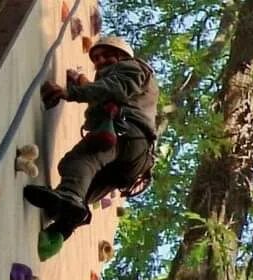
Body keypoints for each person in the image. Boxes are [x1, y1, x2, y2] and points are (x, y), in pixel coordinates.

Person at [23, 36, 159, 240]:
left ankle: (69, 198)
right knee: (85, 188)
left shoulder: (132, 67)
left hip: (125, 133)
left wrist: (70, 92)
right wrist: (81, 82)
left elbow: (114, 89)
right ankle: (65, 221)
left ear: (121, 56)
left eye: (105, 56)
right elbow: (106, 92)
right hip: (134, 159)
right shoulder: (130, 79)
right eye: (95, 59)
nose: (99, 61)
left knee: (78, 161)